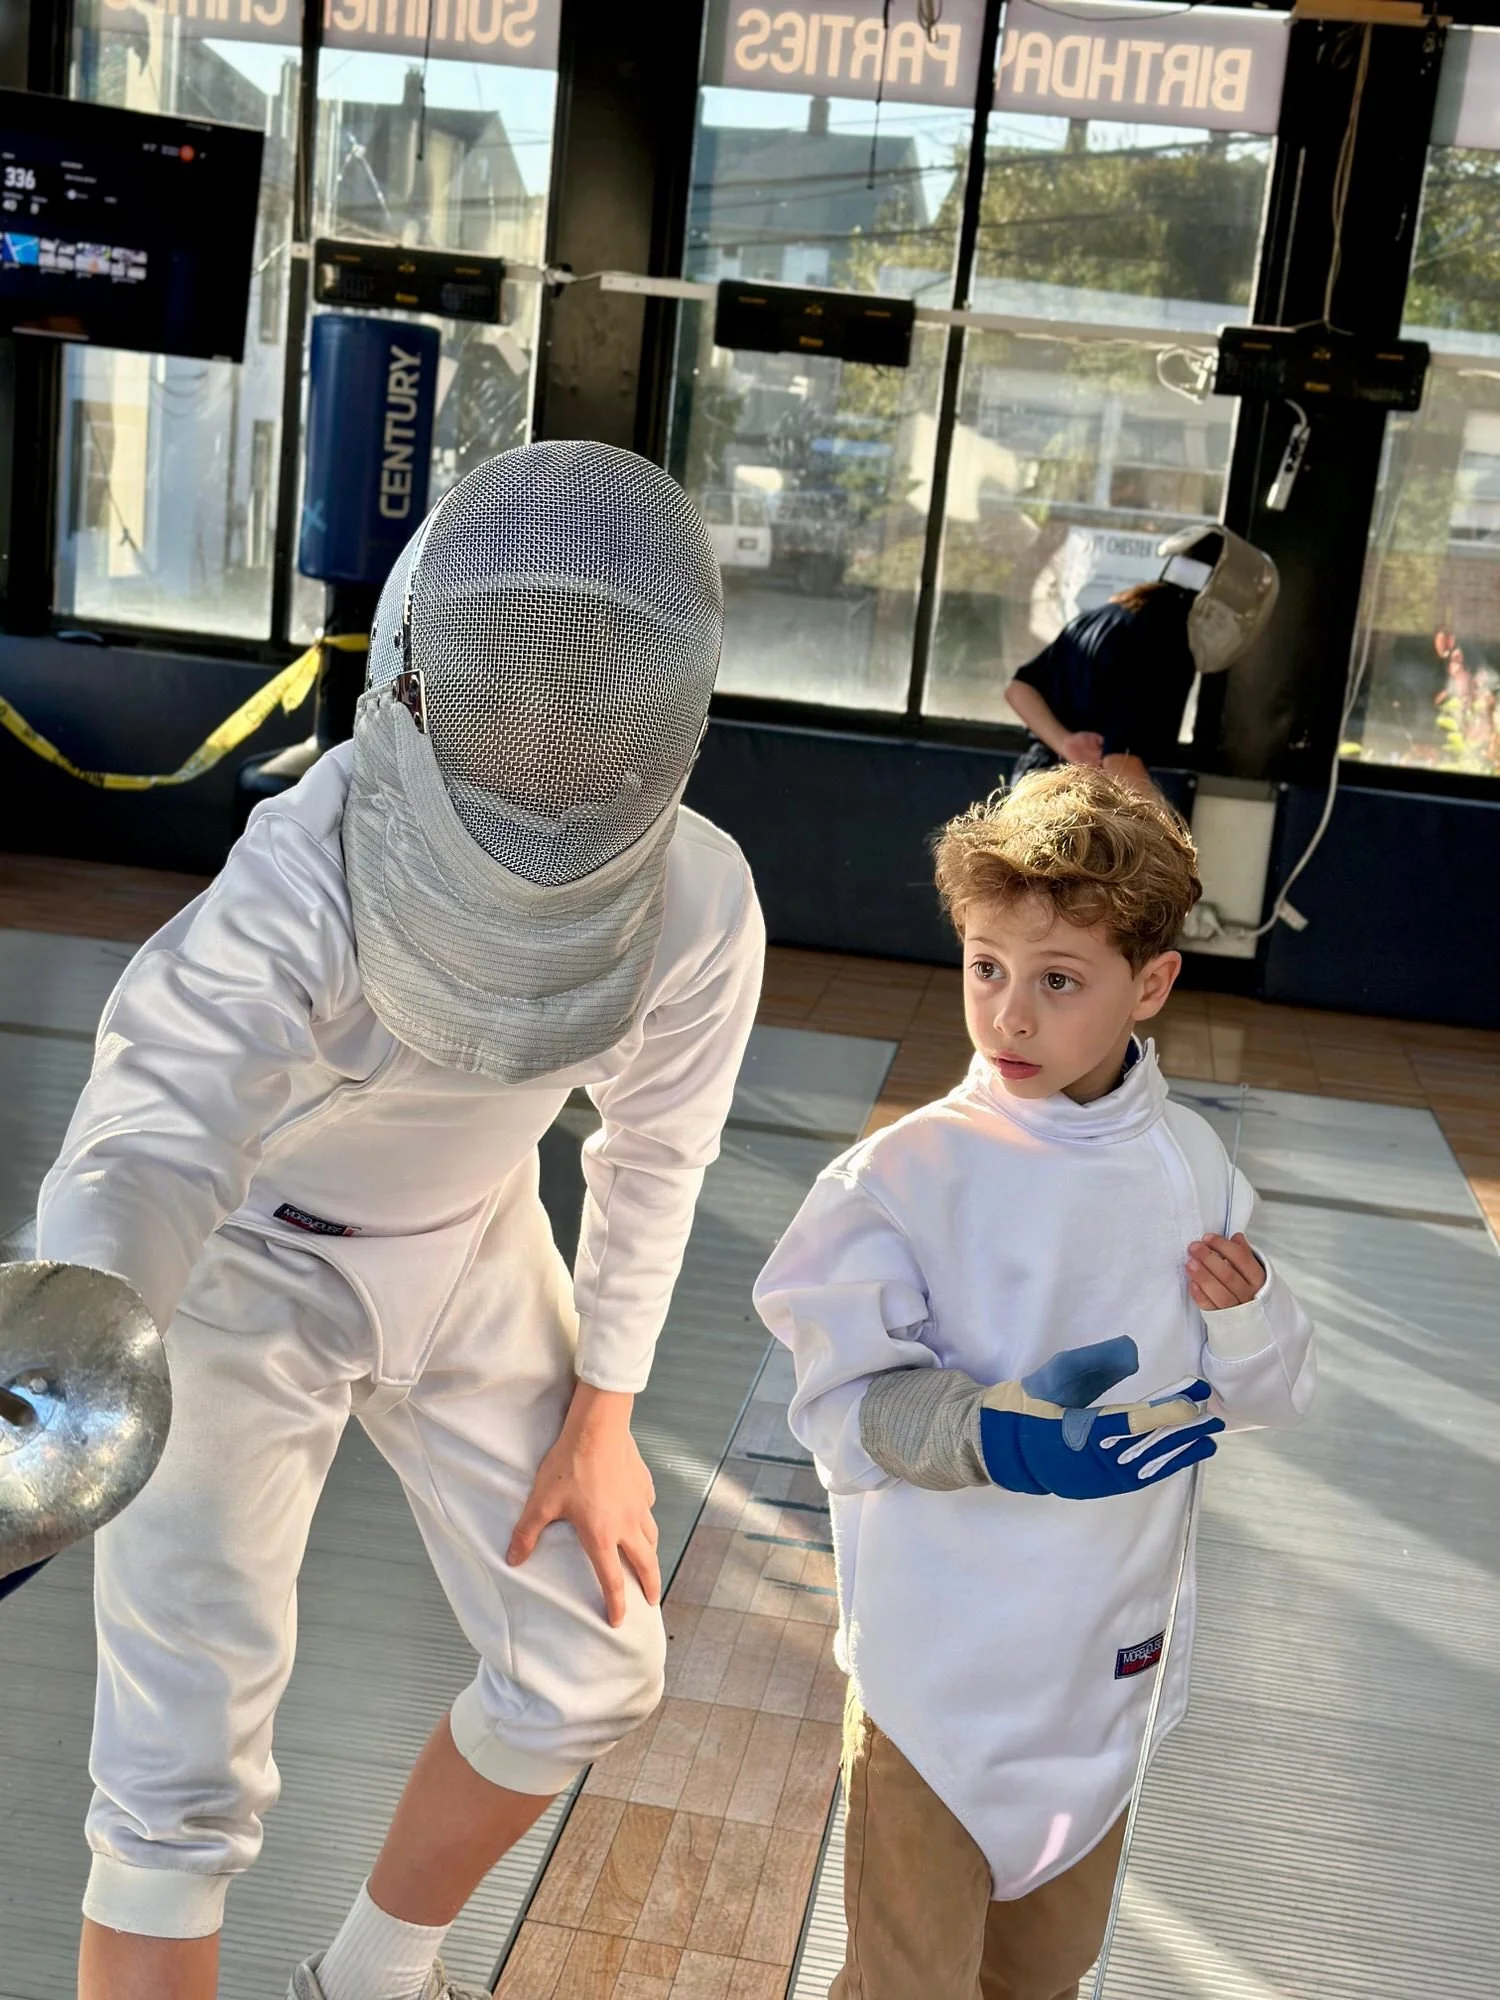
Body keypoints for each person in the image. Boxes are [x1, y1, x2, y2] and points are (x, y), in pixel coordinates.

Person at [34, 440, 766, 2000]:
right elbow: (161, 1125)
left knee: (594, 1665)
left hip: (477, 1254)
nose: (547, 721)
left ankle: (372, 1979)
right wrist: (79, 1349)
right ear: (426, 682)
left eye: (588, 693)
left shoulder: (698, 900)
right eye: (514, 686)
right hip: (235, 1281)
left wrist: (607, 1414)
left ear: (658, 720)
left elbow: (656, 1151)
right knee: (173, 1787)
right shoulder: (304, 867)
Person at [753, 766, 1314, 2000]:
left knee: (1041, 1982)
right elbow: (844, 1403)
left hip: (1103, 1682)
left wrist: (1253, 1309)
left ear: (1151, 984)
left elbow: (1265, 1396)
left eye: (1058, 979)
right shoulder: (900, 1179)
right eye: (986, 965)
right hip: (935, 1682)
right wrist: (995, 1438)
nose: (1009, 1015)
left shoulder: (1191, 1167)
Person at [1005, 527, 1279, 798]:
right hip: (1077, 803)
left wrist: (1065, 742)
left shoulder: (1109, 613)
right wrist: (1168, 837)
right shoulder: (1169, 642)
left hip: (1032, 791)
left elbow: (1019, 690)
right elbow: (1121, 763)